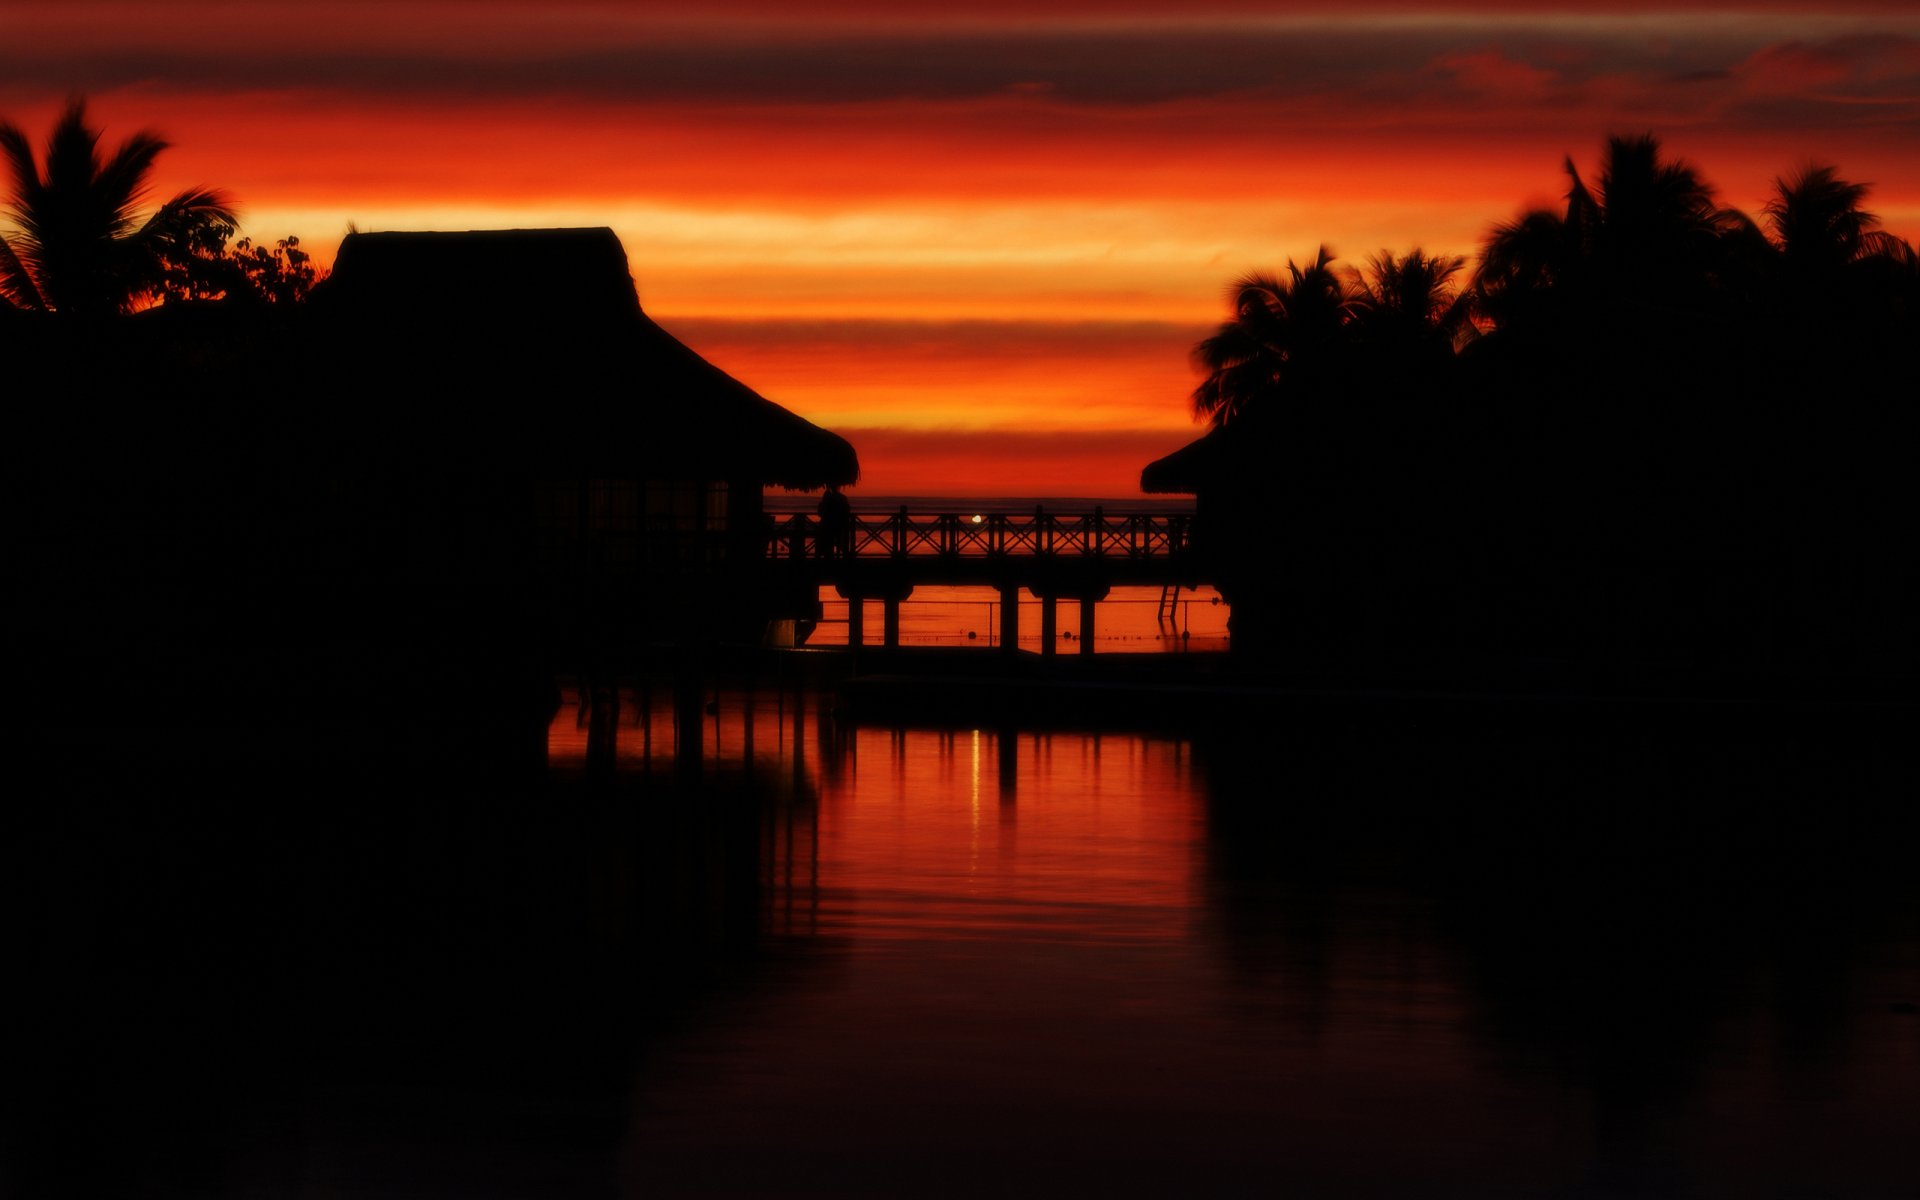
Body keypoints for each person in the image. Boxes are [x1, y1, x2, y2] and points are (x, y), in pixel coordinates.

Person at [816, 485, 852, 559]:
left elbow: (820, 513)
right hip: (839, 525)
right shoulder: (842, 498)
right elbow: (847, 511)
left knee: (828, 541)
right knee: (838, 542)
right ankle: (838, 555)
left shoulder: (827, 500)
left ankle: (824, 555)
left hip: (828, 526)